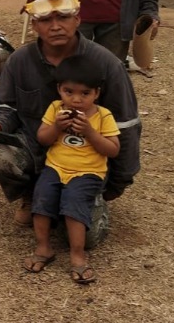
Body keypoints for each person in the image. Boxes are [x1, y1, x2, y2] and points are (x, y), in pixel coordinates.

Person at [0, 0, 141, 248]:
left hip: (86, 162)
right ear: (33, 23)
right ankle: (32, 194)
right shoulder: (19, 61)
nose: (55, 26)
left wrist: (115, 183)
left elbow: (127, 125)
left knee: (83, 241)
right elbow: (7, 107)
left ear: (77, 18)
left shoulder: (106, 64)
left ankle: (91, 199)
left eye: (63, 16)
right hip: (38, 150)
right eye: (45, 19)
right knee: (0, 159)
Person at [26, 55, 120, 284]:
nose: (76, 100)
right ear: (59, 89)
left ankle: (78, 257)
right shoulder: (56, 109)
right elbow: (43, 138)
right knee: (41, 199)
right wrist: (57, 126)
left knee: (73, 204)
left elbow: (113, 149)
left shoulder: (102, 115)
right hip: (55, 167)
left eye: (85, 94)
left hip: (88, 172)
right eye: (69, 92)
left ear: (96, 93)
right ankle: (43, 248)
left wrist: (90, 132)